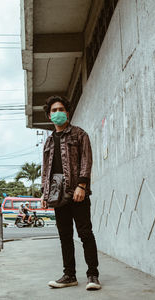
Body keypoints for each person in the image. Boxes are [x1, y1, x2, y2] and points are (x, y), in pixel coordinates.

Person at [41, 95, 101, 290]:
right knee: (65, 236)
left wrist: (82, 185)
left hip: (77, 192)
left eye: (61, 110)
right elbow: (46, 169)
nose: (58, 113)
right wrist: (44, 192)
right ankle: (69, 275)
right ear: (50, 116)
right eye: (54, 111)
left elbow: (86, 160)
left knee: (85, 233)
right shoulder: (49, 141)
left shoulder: (79, 134)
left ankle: (93, 275)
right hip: (58, 196)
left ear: (67, 112)